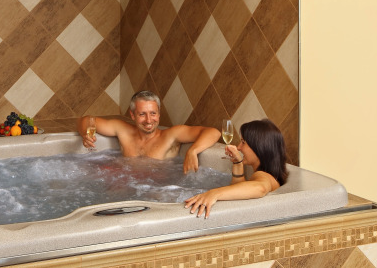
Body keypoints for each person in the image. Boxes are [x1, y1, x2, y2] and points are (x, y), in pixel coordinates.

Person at [77, 90, 221, 173]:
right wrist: (85, 134)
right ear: (132, 115)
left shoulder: (171, 135)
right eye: (142, 114)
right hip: (125, 184)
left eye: (153, 113)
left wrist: (193, 151)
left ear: (159, 114)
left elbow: (213, 132)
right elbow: (87, 120)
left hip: (157, 191)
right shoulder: (123, 130)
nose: (148, 120)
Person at [184, 118, 289, 218]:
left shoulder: (262, 175)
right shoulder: (271, 175)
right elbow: (240, 192)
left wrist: (214, 193)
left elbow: (260, 188)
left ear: (260, 147)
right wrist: (238, 163)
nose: (239, 147)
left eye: (243, 142)